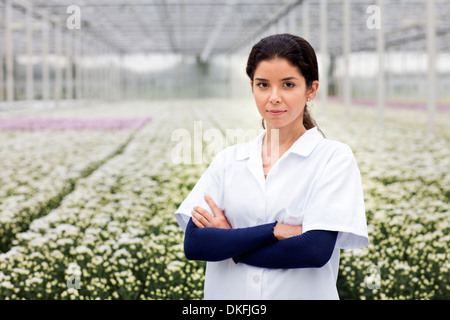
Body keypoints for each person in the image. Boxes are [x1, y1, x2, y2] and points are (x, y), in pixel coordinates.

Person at [174, 34, 369, 300]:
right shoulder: (228, 160)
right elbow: (195, 243)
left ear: (311, 90)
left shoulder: (333, 158)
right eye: (263, 85)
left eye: (288, 84)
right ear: (252, 87)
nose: (274, 97)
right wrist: (275, 231)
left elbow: (314, 251)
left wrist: (230, 242)